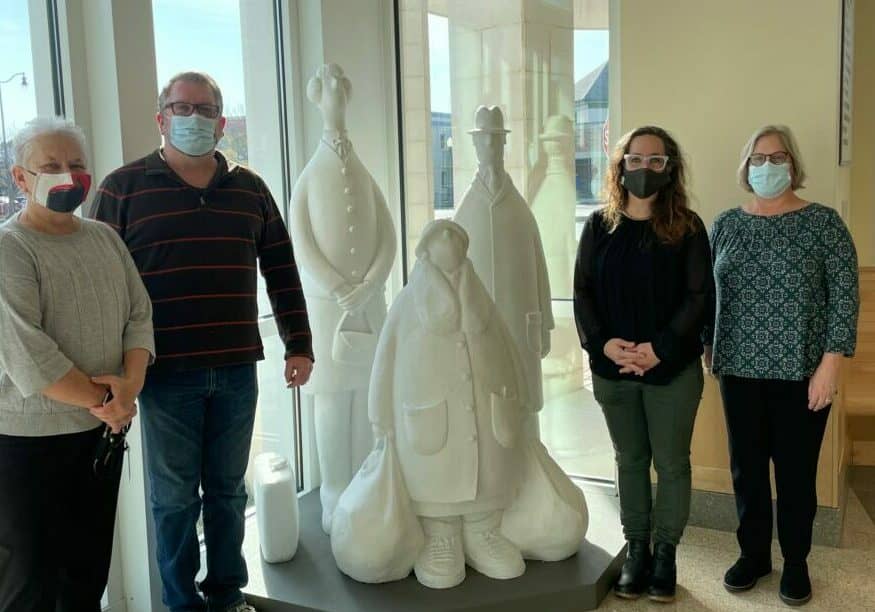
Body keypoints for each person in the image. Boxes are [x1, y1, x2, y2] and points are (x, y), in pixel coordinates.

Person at [90, 72, 314, 612]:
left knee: (228, 492)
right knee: (171, 500)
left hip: (237, 367)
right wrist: (109, 382)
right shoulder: (121, 190)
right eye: (182, 107)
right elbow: (101, 286)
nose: (195, 117)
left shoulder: (250, 188)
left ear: (221, 118)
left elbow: (280, 268)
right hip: (163, 374)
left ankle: (227, 596)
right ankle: (179, 604)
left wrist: (298, 342)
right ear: (161, 117)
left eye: (206, 108)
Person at [0, 117, 154, 611]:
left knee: (86, 572)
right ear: (20, 178)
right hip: (29, 447)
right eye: (50, 166)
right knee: (30, 581)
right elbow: (30, 354)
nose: (68, 175)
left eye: (77, 164)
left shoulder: (105, 239)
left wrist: (129, 386)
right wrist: (110, 401)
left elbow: (139, 314)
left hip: (100, 435)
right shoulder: (11, 249)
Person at [705, 125, 859, 607]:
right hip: (738, 372)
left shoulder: (824, 223)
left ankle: (795, 561)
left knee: (795, 475)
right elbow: (706, 292)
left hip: (803, 374)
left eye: (777, 157)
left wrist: (830, 366)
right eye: (758, 158)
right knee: (746, 472)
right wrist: (706, 347)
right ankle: (753, 556)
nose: (767, 166)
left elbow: (845, 297)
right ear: (746, 166)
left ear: (793, 164)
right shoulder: (726, 224)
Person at [574, 126, 713, 603]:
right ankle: (636, 551)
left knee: (671, 463)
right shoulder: (598, 225)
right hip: (613, 370)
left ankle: (665, 555)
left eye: (656, 161)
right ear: (621, 165)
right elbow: (582, 293)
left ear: (670, 168)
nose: (645, 169)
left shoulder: (689, 227)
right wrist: (603, 344)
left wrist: (659, 348)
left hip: (671, 369)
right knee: (629, 460)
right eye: (636, 160)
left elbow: (699, 298)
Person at [368, 219, 530, 589]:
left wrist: (522, 394)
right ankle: (440, 537)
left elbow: (505, 342)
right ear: (425, 251)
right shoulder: (409, 303)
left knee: (486, 470)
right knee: (436, 476)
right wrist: (378, 414)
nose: (447, 241)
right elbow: (386, 357)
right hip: (430, 418)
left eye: (454, 237)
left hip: (486, 412)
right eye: (439, 237)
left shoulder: (480, 299)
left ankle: (482, 532)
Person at [454, 105, 553, 430]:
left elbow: (538, 265)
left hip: (518, 320)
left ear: (504, 145)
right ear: (475, 145)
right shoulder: (466, 209)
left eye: (496, 141)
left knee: (523, 402)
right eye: (484, 141)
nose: (490, 148)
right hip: (480, 325)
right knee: (484, 401)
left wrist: (545, 323)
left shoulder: (519, 208)